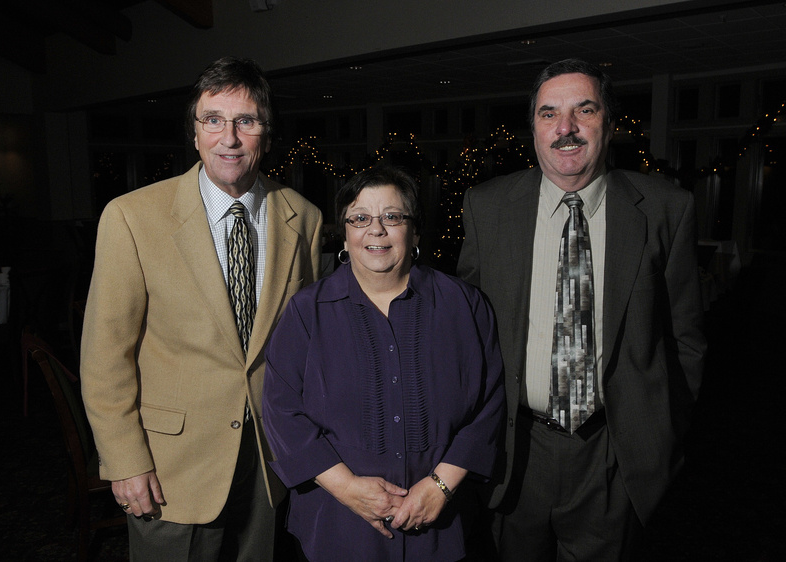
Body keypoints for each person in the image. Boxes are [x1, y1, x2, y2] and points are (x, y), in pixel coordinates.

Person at [457, 58, 706, 561]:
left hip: (614, 454)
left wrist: (661, 432)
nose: (565, 128)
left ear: (608, 123)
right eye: (549, 114)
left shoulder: (664, 209)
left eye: (583, 110)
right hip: (516, 450)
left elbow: (686, 339)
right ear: (533, 129)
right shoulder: (487, 208)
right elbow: (468, 333)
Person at [80, 56, 323, 560]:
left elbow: (308, 347)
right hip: (171, 469)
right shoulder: (131, 217)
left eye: (246, 122)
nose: (228, 138)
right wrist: (125, 461)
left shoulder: (306, 219)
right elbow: (105, 358)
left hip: (268, 462)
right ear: (194, 134)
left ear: (268, 135)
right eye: (213, 120)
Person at [261, 165, 505, 561]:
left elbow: (490, 405)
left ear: (415, 230)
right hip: (338, 524)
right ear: (345, 232)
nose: (376, 230)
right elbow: (280, 409)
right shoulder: (307, 311)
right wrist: (347, 488)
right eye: (359, 218)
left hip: (440, 525)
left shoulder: (466, 306)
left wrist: (441, 486)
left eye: (392, 217)